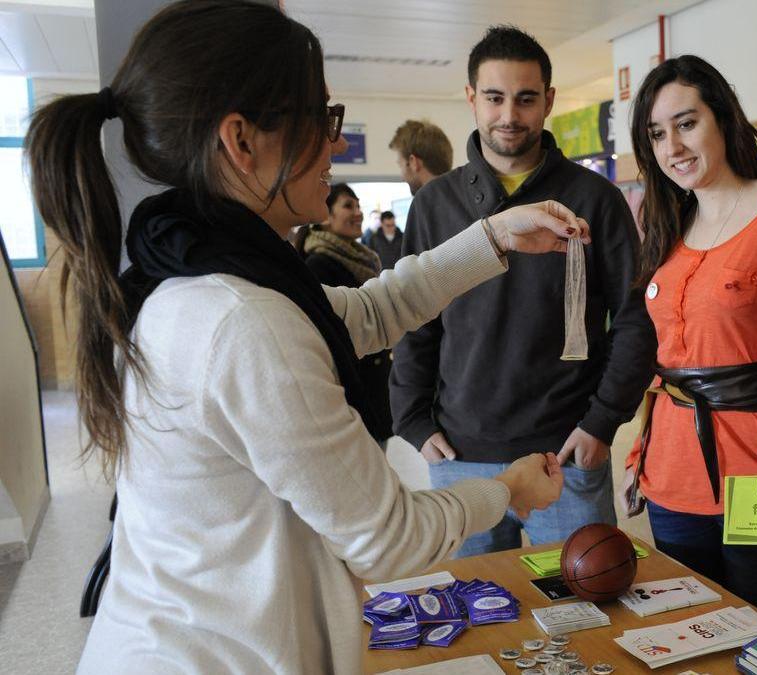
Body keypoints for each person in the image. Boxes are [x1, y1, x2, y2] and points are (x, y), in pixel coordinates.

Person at [24, 1, 586, 671]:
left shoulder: (199, 267)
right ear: (241, 140)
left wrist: (494, 235)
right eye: (322, 119)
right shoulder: (241, 320)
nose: (335, 143)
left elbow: (371, 312)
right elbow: (389, 538)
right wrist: (509, 491)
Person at [390, 25, 656, 556]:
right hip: (460, 456)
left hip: (566, 451)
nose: (509, 114)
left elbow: (635, 320)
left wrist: (602, 422)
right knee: (480, 617)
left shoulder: (596, 200)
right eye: (494, 97)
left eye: (526, 98)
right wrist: (413, 419)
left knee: (584, 614)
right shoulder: (434, 205)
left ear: (549, 101)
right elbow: (413, 321)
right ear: (471, 99)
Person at [622, 55, 757, 630]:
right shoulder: (667, 223)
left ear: (722, 119)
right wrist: (641, 449)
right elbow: (665, 358)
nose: (673, 146)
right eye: (657, 134)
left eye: (686, 124)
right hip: (670, 472)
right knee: (687, 629)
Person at [300, 184, 392, 443]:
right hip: (351, 400)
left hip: (372, 394)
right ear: (326, 215)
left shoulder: (362, 259)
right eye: (348, 205)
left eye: (358, 205)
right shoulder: (318, 265)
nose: (358, 212)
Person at [390, 118, 454, 194]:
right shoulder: (464, 199)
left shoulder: (424, 204)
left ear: (413, 162)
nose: (403, 178)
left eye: (400, 165)